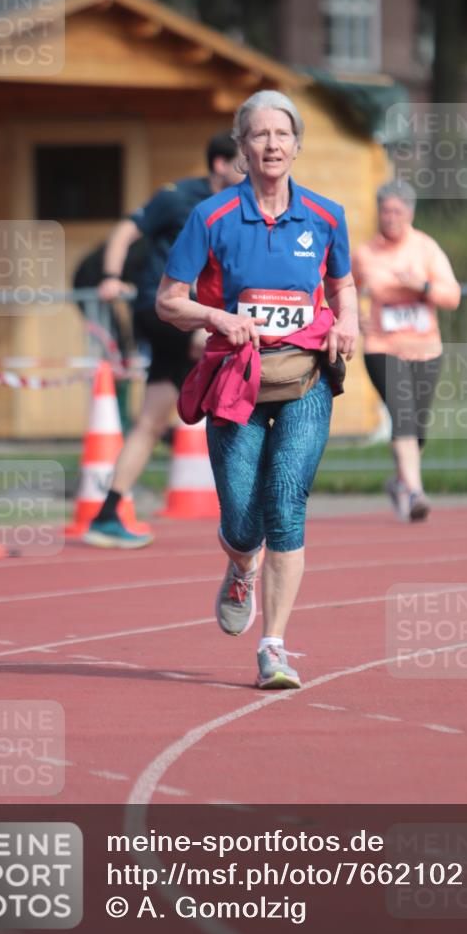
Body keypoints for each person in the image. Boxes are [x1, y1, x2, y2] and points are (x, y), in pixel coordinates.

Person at [155, 90, 358, 690]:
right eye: (260, 134)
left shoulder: (326, 216)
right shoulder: (211, 217)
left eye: (282, 134)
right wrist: (217, 317)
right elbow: (168, 300)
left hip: (304, 378)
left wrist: (347, 322)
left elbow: (343, 286)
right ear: (242, 147)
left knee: (286, 501)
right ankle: (241, 565)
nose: (272, 144)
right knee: (244, 522)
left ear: (297, 145)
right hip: (234, 382)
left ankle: (274, 648)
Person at [83, 132, 242, 549]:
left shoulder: (240, 206)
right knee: (227, 356)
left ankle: (107, 513)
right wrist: (111, 276)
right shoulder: (178, 198)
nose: (251, 170)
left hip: (197, 318)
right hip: (166, 309)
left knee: (150, 420)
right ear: (220, 164)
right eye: (243, 162)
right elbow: (124, 232)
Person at [352, 180, 461, 522]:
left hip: (426, 349)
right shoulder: (365, 254)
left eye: (397, 211)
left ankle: (400, 481)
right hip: (382, 347)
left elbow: (452, 297)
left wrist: (422, 286)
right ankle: (415, 491)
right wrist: (353, 315)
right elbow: (343, 287)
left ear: (410, 213)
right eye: (385, 211)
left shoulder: (426, 249)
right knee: (402, 416)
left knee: (417, 426)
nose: (391, 218)